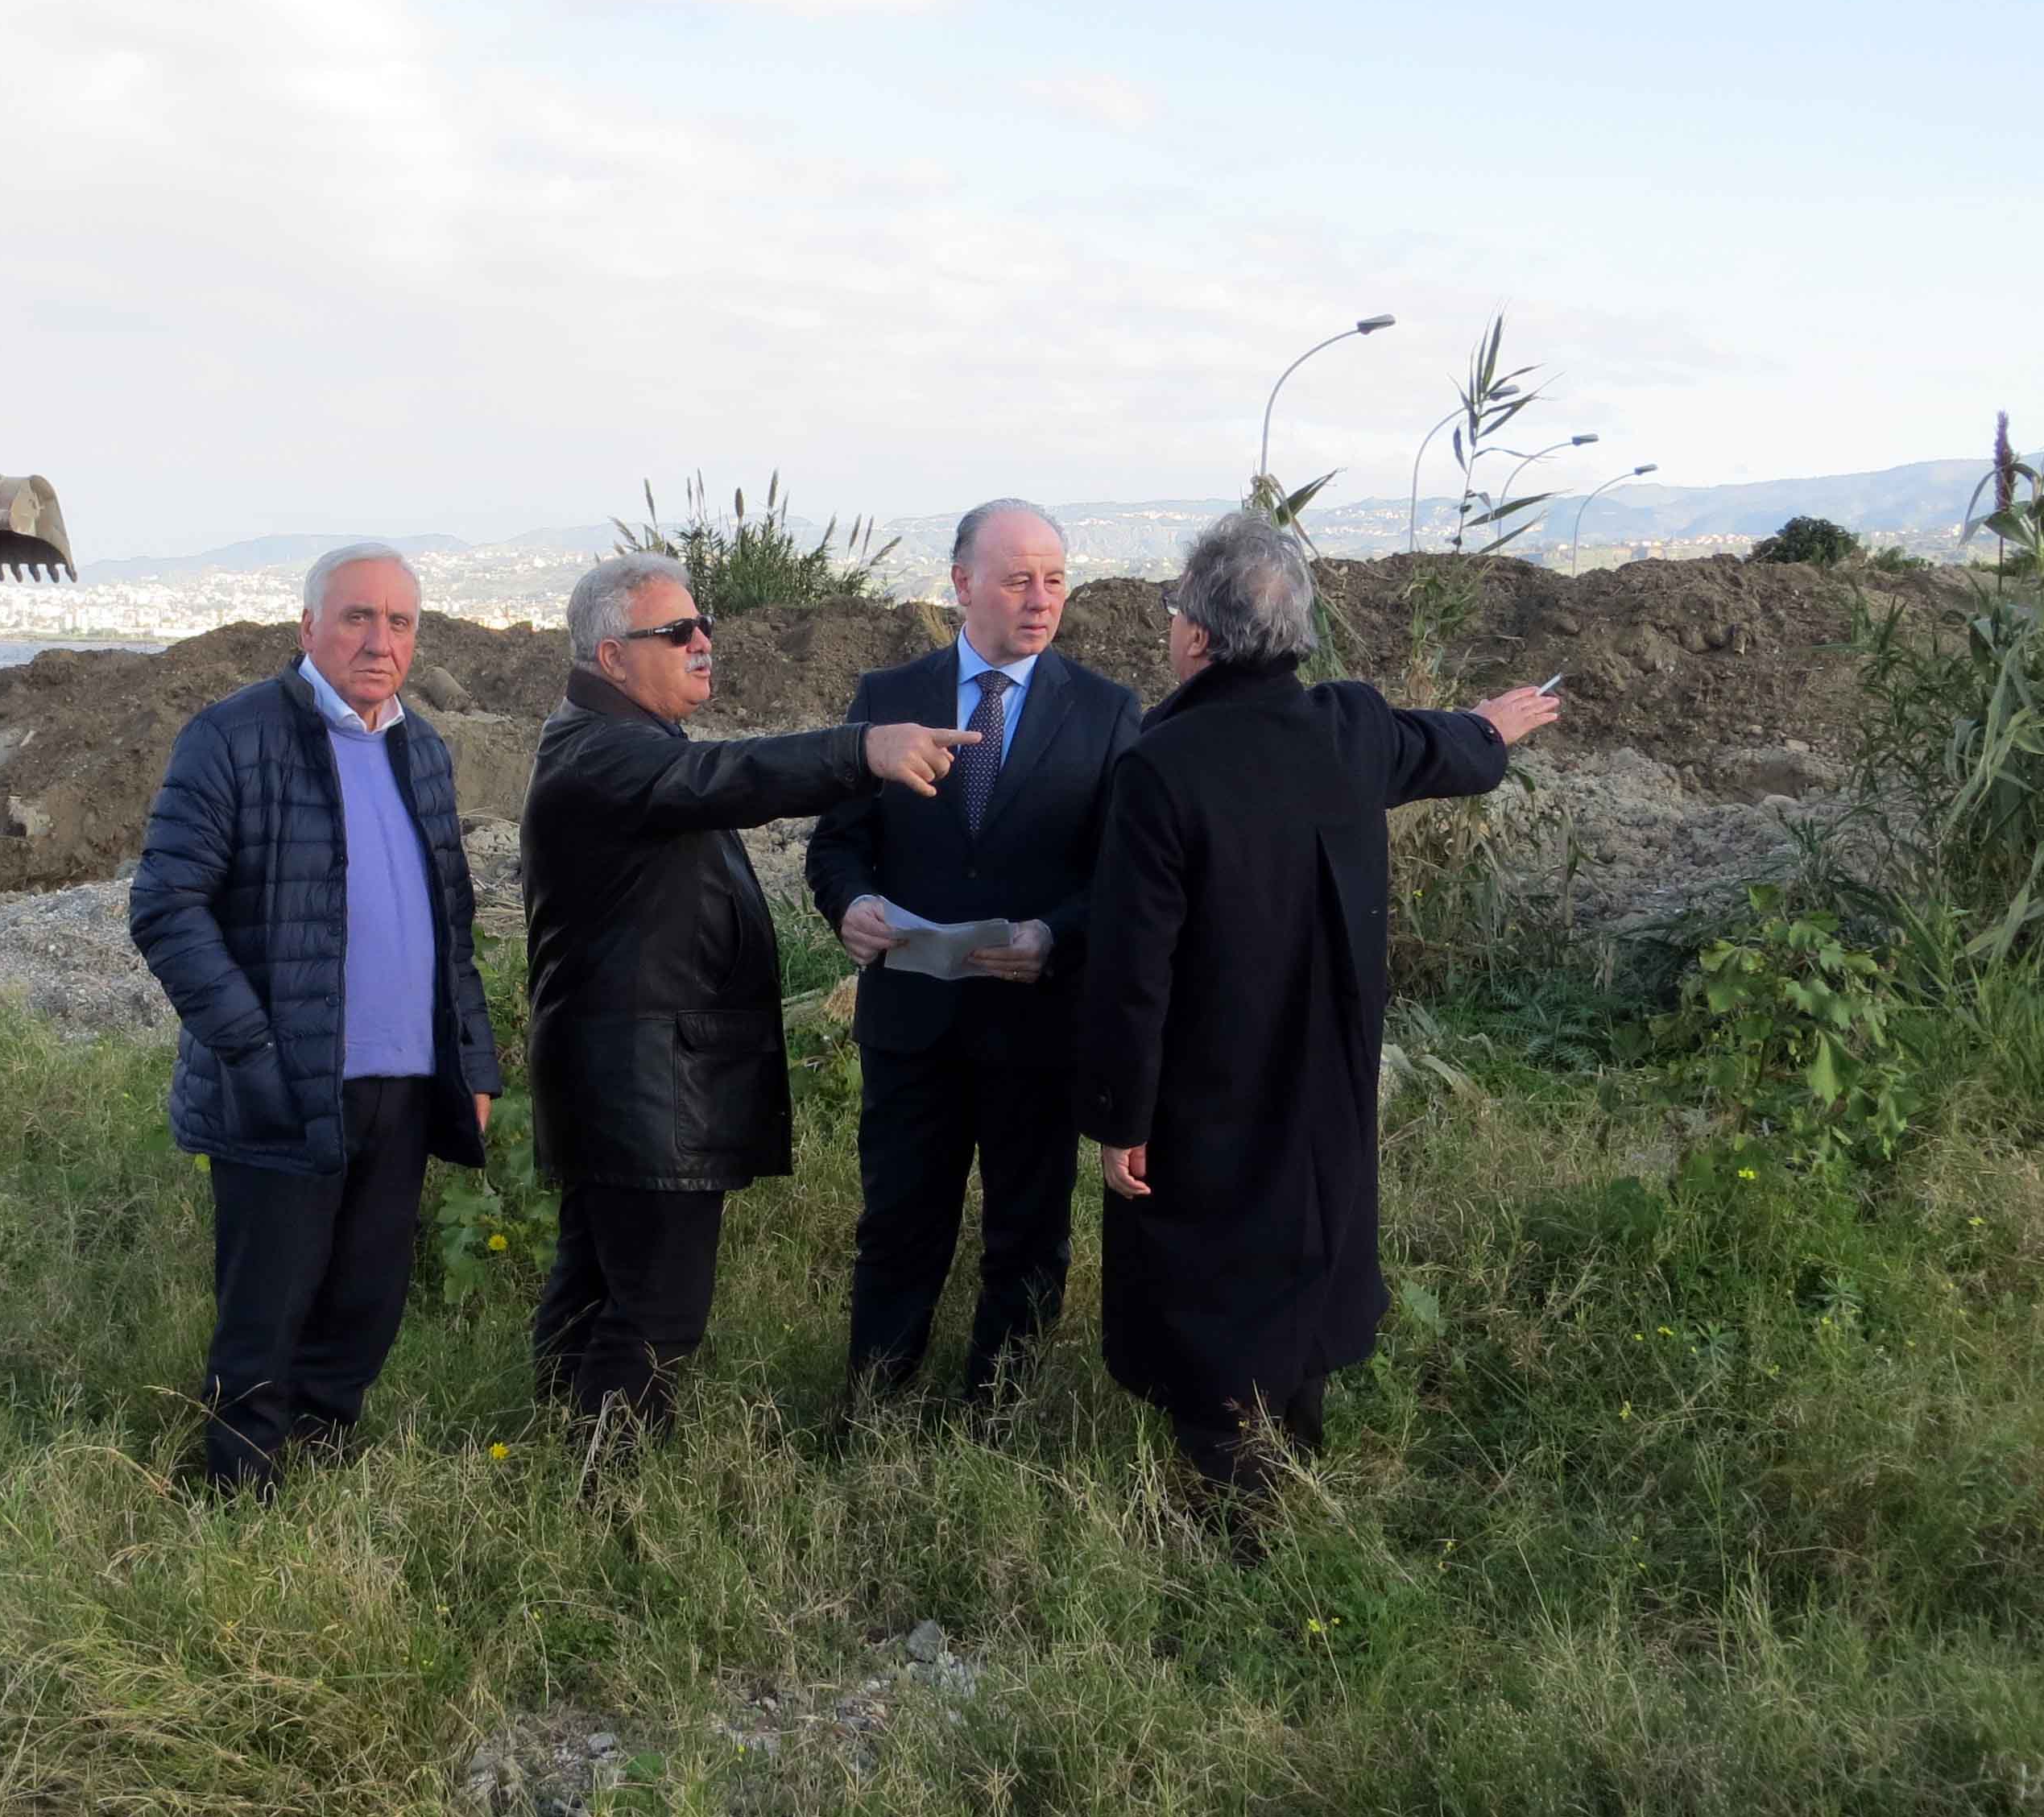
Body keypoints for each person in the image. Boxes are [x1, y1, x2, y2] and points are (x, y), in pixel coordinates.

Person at [1075, 512, 1560, 1490]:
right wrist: (1491, 728)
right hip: (1327, 1072)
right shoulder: (1347, 728)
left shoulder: (1158, 767)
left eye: (1175, 611)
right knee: (1305, 1240)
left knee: (1206, 1268)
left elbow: (1134, 967)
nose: (1170, 627)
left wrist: (1119, 1117)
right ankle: (1295, 1444)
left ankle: (1229, 1492)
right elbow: (1443, 751)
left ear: (1200, 639)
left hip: (1205, 1085)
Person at [520, 555, 978, 1438]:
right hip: (641, 1089)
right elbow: (731, 778)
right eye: (676, 633)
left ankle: (555, 1464)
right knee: (653, 1316)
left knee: (592, 1291)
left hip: (627, 1084)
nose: (703, 644)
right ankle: (605, 1494)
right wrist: (862, 748)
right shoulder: (601, 754)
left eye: (705, 628)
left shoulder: (620, 742)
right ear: (611, 658)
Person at [129, 542, 503, 1492]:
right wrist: (253, 1048)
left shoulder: (423, 749)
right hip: (283, 1083)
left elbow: (450, 921)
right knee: (268, 1305)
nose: (380, 640)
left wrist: (474, 1062)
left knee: (365, 1296)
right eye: (357, 617)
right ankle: (237, 1490)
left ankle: (323, 1460)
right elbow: (167, 908)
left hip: (407, 1081)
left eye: (400, 622)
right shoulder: (232, 737)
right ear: (307, 628)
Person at [805, 499, 1141, 1407]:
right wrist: (854, 904)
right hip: (912, 1023)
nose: (1041, 600)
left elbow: (1123, 875)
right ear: (960, 585)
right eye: (1017, 578)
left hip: (1035, 1027)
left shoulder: (1107, 714)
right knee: (899, 1225)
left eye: (1055, 579)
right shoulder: (888, 698)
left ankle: (1002, 1412)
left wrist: (1054, 935)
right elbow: (837, 842)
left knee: (1027, 1234)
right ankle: (872, 1407)